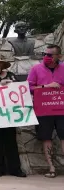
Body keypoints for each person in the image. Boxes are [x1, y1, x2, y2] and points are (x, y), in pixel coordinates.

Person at [27, 45, 64, 178]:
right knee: (46, 138)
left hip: (61, 109)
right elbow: (28, 87)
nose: (46, 57)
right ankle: (52, 168)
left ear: (58, 57)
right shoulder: (36, 69)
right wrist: (46, 86)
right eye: (45, 54)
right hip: (43, 110)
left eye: (50, 55)